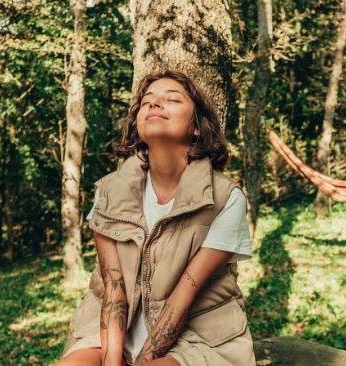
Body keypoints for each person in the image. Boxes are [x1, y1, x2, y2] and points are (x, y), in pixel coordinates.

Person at [55, 69, 257, 366]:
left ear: (198, 127)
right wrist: (113, 361)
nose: (154, 104)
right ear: (137, 125)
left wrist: (141, 361)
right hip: (107, 333)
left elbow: (182, 299)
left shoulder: (225, 199)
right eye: (147, 101)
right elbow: (114, 290)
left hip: (197, 335)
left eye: (172, 99)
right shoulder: (108, 192)